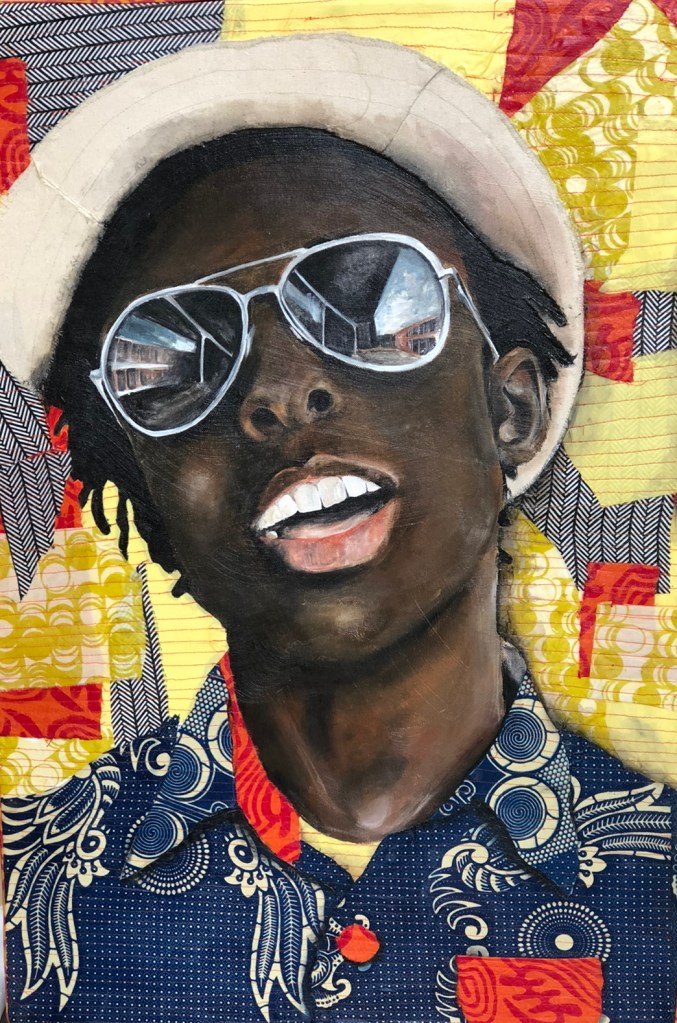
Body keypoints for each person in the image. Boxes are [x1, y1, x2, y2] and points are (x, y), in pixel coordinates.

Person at [0, 35, 675, 1023]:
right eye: (173, 359)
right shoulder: (22, 897)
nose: (280, 389)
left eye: (371, 300)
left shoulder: (656, 894)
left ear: (513, 411)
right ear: (146, 500)